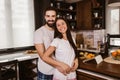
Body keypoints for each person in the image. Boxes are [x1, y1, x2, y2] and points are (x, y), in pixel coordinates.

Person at [34, 7, 57, 80]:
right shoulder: (39, 32)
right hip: (45, 71)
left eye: (53, 16)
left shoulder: (58, 31)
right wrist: (60, 66)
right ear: (45, 17)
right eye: (48, 16)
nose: (50, 19)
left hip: (57, 72)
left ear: (56, 17)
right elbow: (43, 56)